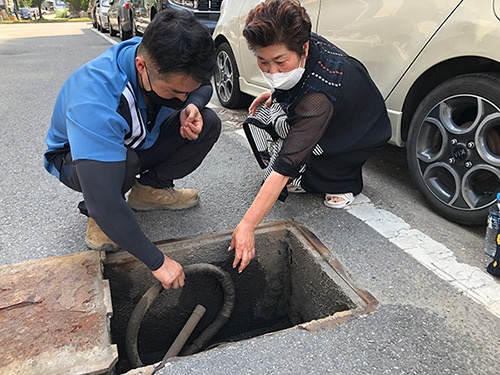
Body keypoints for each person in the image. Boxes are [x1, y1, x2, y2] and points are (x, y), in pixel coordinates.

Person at [43, 9, 221, 290]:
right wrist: (157, 262)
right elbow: (104, 197)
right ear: (141, 67)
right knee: (121, 165)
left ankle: (151, 190)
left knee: (208, 122)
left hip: (139, 139)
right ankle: (98, 219)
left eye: (187, 90)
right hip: (77, 161)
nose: (182, 97)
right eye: (175, 92)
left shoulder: (164, 62)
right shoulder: (95, 97)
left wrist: (191, 106)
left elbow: (203, 88)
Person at [229, 0, 391, 273]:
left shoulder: (317, 99)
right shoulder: (298, 40)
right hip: (336, 110)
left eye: (280, 62)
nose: (272, 71)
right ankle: (315, 171)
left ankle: (345, 183)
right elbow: (297, 80)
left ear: (303, 49)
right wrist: (276, 92)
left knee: (315, 159)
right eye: (263, 61)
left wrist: (247, 225)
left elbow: (284, 165)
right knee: (282, 128)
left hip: (362, 127)